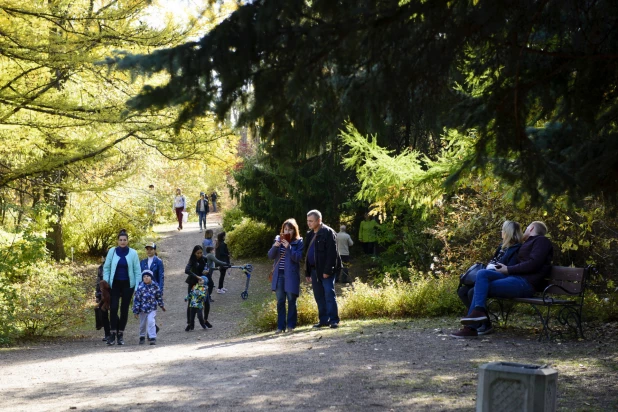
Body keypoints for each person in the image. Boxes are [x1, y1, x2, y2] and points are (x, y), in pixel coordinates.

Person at [451, 221, 553, 338]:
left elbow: (534, 264)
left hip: (525, 283)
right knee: (482, 274)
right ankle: (478, 311)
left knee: (477, 289)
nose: (524, 230)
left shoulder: (541, 241)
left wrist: (508, 269)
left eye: (527, 227)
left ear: (531, 228)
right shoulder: (527, 243)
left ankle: (471, 328)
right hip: (514, 278)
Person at [453, 220, 523, 338]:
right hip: (491, 274)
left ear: (508, 232)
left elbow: (510, 268)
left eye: (503, 230)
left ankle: (472, 326)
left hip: (504, 277)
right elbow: (494, 260)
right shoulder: (502, 246)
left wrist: (493, 269)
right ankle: (484, 323)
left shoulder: (517, 248)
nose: (501, 232)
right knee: (463, 291)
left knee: (473, 291)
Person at [103, 229, 141, 345]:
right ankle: (112, 333)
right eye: (120, 240)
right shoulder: (112, 251)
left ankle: (120, 334)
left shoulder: (133, 253)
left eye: (124, 240)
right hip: (114, 284)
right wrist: (106, 281)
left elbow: (137, 271)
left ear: (127, 241)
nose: (122, 242)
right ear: (117, 241)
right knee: (113, 308)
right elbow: (107, 267)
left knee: (124, 309)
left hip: (128, 284)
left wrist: (137, 287)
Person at [304, 210, 341, 329]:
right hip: (314, 271)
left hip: (326, 271)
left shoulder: (328, 232)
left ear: (319, 220)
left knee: (329, 294)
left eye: (311, 221)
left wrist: (327, 271)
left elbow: (332, 254)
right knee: (319, 296)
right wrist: (308, 272)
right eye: (308, 221)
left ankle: (334, 320)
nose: (309, 223)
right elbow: (307, 255)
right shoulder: (310, 235)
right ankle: (323, 320)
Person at [268, 218, 304, 333]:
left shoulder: (299, 242)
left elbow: (297, 258)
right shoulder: (277, 240)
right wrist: (275, 246)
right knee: (280, 301)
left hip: (291, 275)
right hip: (279, 275)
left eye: (290, 230)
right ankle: (280, 326)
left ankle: (291, 326)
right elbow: (270, 256)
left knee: (291, 300)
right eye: (285, 229)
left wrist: (289, 247)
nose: (287, 232)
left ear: (294, 231)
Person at [132, 270, 166, 345]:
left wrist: (162, 305)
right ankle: (142, 336)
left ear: (151, 277)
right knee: (142, 324)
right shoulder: (140, 287)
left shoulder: (155, 286)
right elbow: (137, 300)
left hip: (152, 308)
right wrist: (136, 311)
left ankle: (152, 337)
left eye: (148, 276)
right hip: (142, 309)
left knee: (151, 321)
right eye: (144, 277)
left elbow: (159, 297)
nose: (146, 278)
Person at [184, 246, 213, 331]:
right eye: (198, 253)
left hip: (203, 283)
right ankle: (190, 323)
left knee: (206, 302)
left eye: (201, 253)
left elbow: (207, 267)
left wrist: (207, 271)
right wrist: (196, 276)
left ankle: (205, 320)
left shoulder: (204, 259)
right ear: (194, 253)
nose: (199, 255)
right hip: (193, 282)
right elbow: (186, 270)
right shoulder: (192, 260)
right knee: (191, 303)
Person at [95, 251, 111, 342]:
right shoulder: (100, 268)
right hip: (102, 295)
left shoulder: (114, 267)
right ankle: (107, 333)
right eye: (103, 257)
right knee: (103, 313)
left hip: (111, 294)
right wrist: (97, 295)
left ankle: (116, 331)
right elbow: (98, 282)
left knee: (113, 314)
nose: (104, 258)